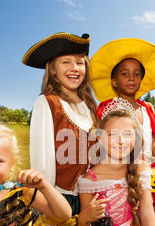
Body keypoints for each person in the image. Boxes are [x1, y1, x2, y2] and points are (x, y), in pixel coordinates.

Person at [22, 32, 98, 215]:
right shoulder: (47, 102)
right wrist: (49, 202)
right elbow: (42, 162)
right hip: (60, 198)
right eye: (66, 62)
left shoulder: (91, 106)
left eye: (80, 63)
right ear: (53, 69)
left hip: (93, 198)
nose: (75, 68)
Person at [90, 38, 155, 208]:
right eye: (124, 74)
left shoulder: (146, 109)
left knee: (146, 210)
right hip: (121, 172)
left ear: (141, 79)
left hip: (147, 170)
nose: (131, 78)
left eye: (136, 74)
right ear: (114, 81)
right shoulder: (110, 108)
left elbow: (151, 135)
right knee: (125, 211)